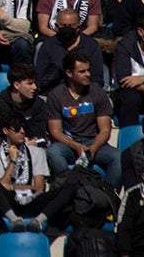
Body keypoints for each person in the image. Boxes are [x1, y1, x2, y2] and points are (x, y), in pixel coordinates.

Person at [0, 112, 76, 232]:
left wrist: (11, 186)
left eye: (23, 127)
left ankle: (38, 221)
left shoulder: (37, 152)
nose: (22, 131)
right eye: (16, 128)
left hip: (32, 201)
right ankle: (14, 220)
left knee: (71, 187)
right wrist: (12, 162)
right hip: (7, 204)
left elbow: (39, 188)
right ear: (5, 130)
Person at [45, 52, 121, 187]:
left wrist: (94, 147)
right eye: (82, 71)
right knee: (53, 152)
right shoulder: (56, 95)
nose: (88, 74)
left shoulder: (98, 93)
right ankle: (68, 190)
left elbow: (105, 129)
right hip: (68, 144)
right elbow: (55, 132)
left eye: (88, 70)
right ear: (69, 73)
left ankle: (107, 195)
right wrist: (76, 146)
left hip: (93, 141)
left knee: (118, 157)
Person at [35, 8, 104, 94]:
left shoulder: (91, 46)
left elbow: (97, 78)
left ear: (78, 27)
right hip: (53, 95)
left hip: (84, 95)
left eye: (71, 26)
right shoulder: (48, 45)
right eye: (63, 25)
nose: (67, 28)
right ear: (56, 26)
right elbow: (39, 76)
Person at [0, 64, 48, 147]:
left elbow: (39, 134)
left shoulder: (38, 104)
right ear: (17, 85)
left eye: (34, 83)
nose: (35, 87)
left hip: (30, 148)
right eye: (30, 83)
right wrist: (8, 148)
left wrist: (26, 145)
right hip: (2, 149)